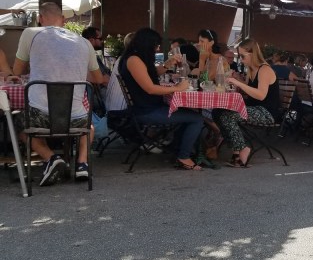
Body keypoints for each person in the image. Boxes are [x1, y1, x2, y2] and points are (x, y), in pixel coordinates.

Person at [13, 3, 103, 186]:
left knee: (20, 123)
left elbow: (17, 71)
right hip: (75, 120)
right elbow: (98, 79)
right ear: (63, 20)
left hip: (40, 117)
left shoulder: (30, 33)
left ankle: (51, 158)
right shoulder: (85, 42)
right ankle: (82, 164)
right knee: (88, 126)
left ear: (40, 18)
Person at [119, 27, 205, 170]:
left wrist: (167, 64)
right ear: (147, 44)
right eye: (156, 45)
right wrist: (177, 88)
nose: (157, 49)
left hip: (147, 108)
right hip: (146, 111)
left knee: (188, 114)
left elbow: (151, 73)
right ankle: (183, 157)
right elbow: (150, 88)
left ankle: (176, 148)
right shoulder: (134, 60)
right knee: (197, 118)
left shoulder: (135, 58)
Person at [214, 38, 280, 168]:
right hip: (254, 107)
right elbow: (250, 91)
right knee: (217, 111)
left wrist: (238, 83)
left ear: (252, 54)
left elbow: (260, 95)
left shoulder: (265, 70)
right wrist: (238, 80)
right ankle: (237, 150)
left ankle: (242, 149)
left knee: (227, 115)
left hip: (267, 112)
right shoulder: (252, 69)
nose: (241, 60)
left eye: (243, 56)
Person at [104, 32, 134, 112]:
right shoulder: (132, 60)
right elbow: (149, 87)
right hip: (122, 110)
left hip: (111, 106)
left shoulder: (121, 59)